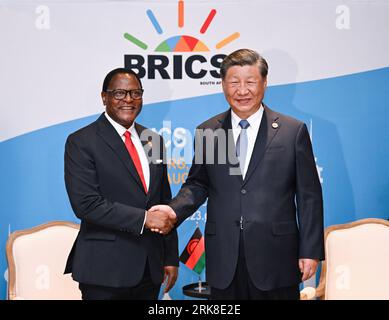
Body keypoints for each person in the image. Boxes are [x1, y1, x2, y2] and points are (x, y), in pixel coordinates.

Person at [150, 49, 324, 300]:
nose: (242, 90)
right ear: (222, 85)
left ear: (264, 83)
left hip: (276, 257)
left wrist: (310, 250)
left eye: (250, 82)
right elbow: (198, 183)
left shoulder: (291, 131)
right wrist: (174, 209)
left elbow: (309, 196)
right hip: (224, 259)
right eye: (234, 82)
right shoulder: (209, 130)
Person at [64, 68, 178, 300]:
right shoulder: (81, 141)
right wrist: (145, 219)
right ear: (104, 97)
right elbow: (86, 204)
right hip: (104, 271)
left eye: (135, 93)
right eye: (119, 93)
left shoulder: (153, 140)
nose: (128, 99)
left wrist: (169, 258)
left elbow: (163, 202)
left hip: (149, 268)